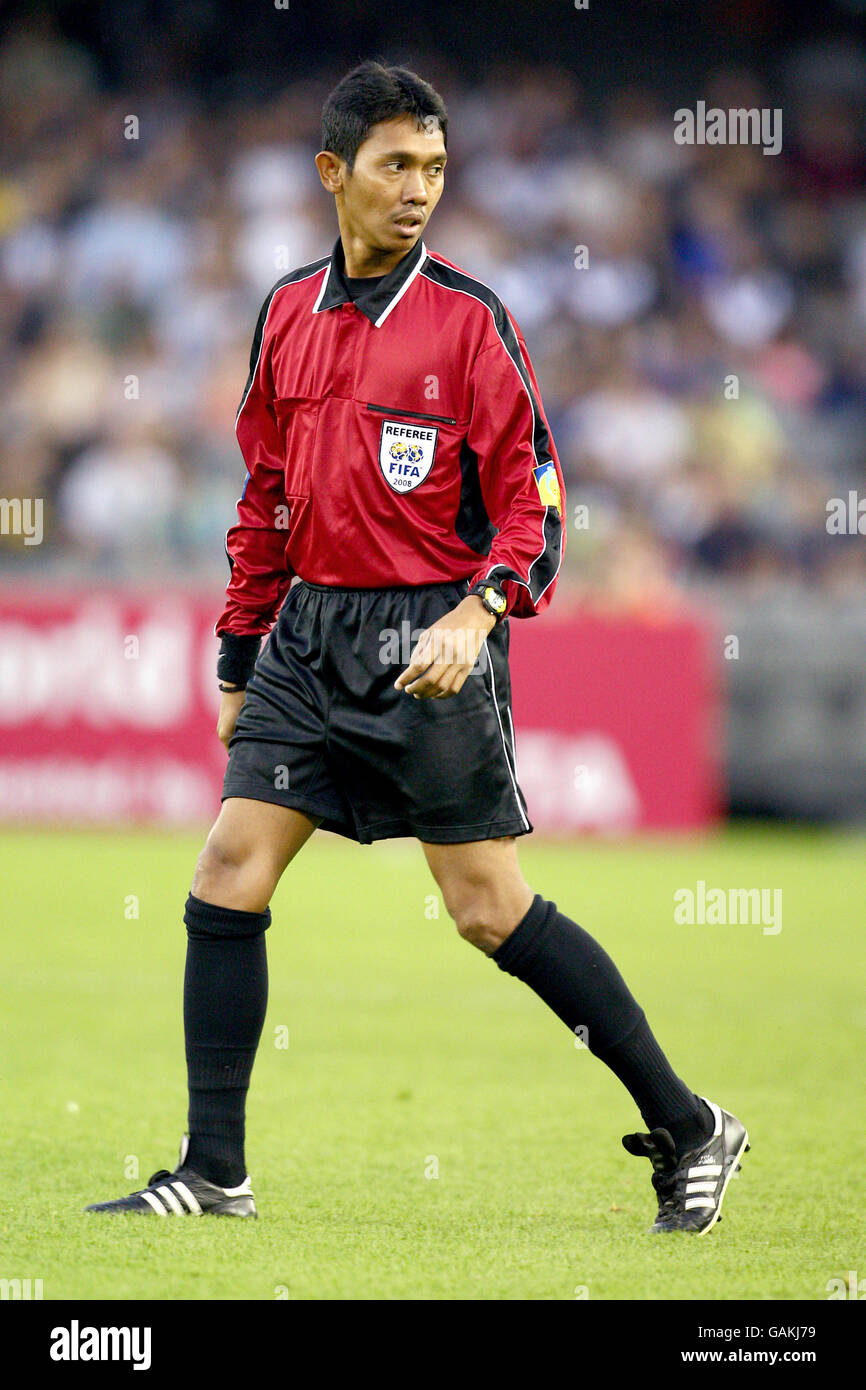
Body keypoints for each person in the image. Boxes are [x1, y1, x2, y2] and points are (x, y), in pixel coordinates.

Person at [86, 61, 748, 1233]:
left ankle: (691, 1125)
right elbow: (266, 500)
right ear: (333, 173)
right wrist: (239, 663)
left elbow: (536, 508)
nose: (418, 191)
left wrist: (475, 613)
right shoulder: (285, 309)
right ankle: (213, 1169)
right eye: (396, 166)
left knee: (486, 906)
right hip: (306, 640)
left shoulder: (472, 322)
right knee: (227, 869)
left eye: (435, 170)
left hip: (428, 636)